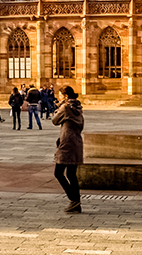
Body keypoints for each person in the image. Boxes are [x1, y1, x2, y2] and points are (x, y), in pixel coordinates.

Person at [52, 85, 85, 213]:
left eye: (60, 95)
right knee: (71, 174)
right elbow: (81, 126)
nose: (58, 97)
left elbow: (54, 121)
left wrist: (58, 108)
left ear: (65, 96)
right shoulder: (78, 108)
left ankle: (74, 199)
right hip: (76, 142)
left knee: (58, 173)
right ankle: (76, 203)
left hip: (66, 143)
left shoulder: (65, 107)